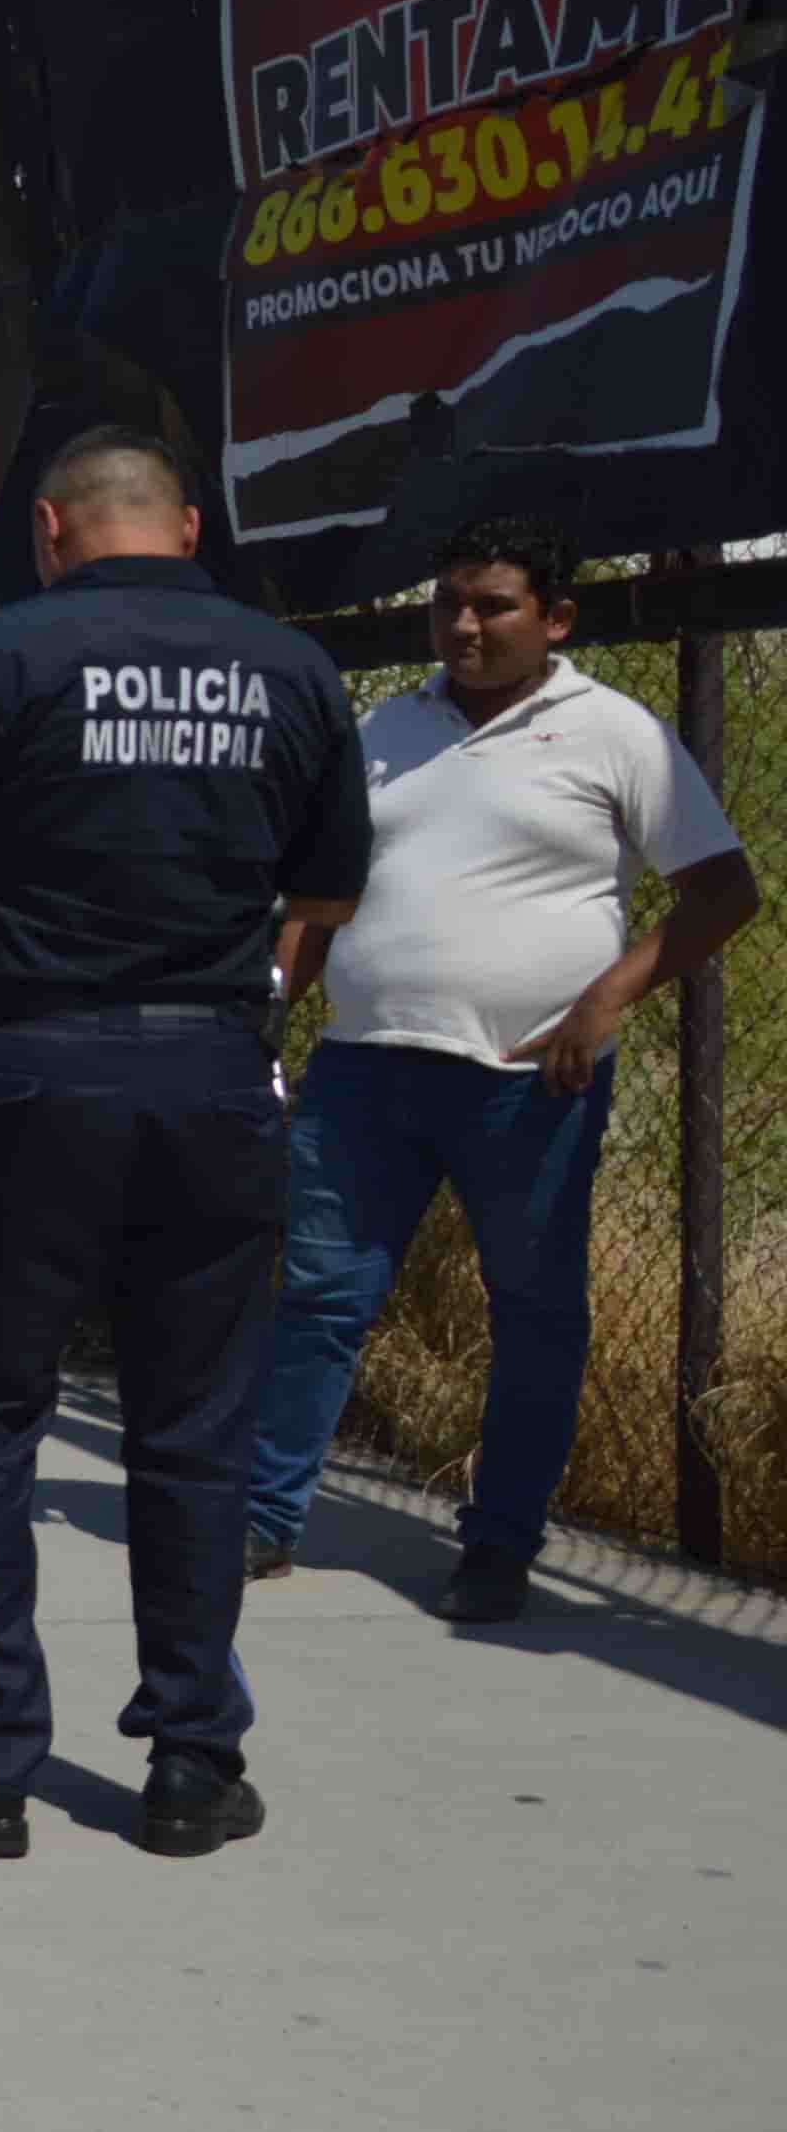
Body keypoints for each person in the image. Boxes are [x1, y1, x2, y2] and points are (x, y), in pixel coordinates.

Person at [0, 425, 365, 1861]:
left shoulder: (2, 658)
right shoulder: (294, 670)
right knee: (194, 1429)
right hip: (214, 1075)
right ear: (190, 527)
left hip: (32, 1071)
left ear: (57, 532)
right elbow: (330, 885)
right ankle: (194, 1761)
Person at [242, 516, 758, 1622]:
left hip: (531, 1086)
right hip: (363, 1072)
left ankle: (499, 1545)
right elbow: (320, 898)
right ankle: (259, 1516)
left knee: (532, 1314)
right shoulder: (385, 729)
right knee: (324, 1298)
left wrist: (602, 1001)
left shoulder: (616, 735)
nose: (463, 626)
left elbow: (724, 892)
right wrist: (273, 1016)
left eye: (492, 606)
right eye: (448, 605)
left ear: (555, 619)